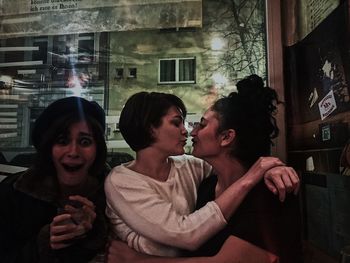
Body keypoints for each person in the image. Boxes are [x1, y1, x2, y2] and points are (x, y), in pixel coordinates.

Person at [104, 85, 300, 258]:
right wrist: (258, 172)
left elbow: (242, 169)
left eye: (202, 124)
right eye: (176, 122)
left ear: (226, 137)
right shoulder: (123, 181)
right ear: (150, 128)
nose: (189, 131)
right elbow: (184, 236)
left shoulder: (194, 168)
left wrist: (270, 169)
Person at [0, 96, 109, 263]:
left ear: (98, 150)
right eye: (62, 141)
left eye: (85, 141)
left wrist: (94, 233)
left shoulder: (115, 195)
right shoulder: (12, 194)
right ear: (48, 148)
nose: (73, 152)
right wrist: (44, 243)